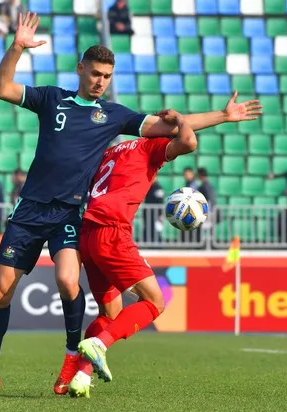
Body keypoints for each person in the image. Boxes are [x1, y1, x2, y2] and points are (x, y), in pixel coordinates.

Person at [0, 12, 262, 398]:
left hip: (71, 212)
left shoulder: (114, 115)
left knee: (68, 281)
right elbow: (0, 87)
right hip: (30, 209)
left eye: (106, 75)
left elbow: (172, 126)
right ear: (81, 69)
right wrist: (17, 47)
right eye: (95, 73)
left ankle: (71, 361)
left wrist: (222, 116)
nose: (100, 81)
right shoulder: (52, 98)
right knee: (1, 290)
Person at [69, 111, 196, 398]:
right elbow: (188, 142)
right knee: (155, 301)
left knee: (109, 313)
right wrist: (180, 120)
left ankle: (79, 375)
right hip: (111, 232)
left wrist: (224, 116)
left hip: (87, 235)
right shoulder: (149, 146)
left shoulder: (112, 151)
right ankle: (99, 346)